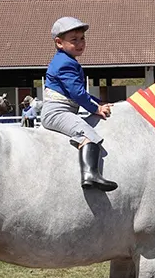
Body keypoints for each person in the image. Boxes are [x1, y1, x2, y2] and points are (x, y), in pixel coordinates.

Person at [42, 16, 117, 192]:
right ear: (59, 43)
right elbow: (77, 94)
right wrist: (97, 108)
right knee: (88, 135)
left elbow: (81, 93)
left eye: (82, 38)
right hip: (57, 112)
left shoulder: (67, 61)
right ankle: (90, 175)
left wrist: (100, 102)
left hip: (64, 110)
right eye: (74, 40)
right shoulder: (64, 64)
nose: (80, 43)